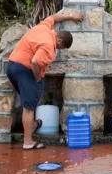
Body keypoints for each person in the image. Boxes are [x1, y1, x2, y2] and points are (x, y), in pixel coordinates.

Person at [7, 12, 85, 150]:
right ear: (59, 41)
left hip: (12, 66)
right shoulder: (49, 45)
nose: (58, 49)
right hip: (25, 70)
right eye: (60, 48)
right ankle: (28, 142)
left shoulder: (44, 28)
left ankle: (33, 125)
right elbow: (35, 61)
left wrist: (71, 16)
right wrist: (37, 78)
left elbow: (54, 18)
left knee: (29, 101)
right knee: (29, 107)